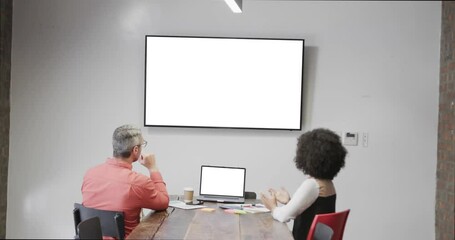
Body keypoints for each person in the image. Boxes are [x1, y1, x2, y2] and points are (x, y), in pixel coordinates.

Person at [81, 124, 169, 238]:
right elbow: (163, 202)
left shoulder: (90, 174)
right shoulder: (139, 182)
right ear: (136, 150)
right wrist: (153, 168)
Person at [260, 128, 347, 240]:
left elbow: (284, 216)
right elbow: (312, 210)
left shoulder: (312, 184)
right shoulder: (328, 184)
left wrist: (272, 207)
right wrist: (289, 201)